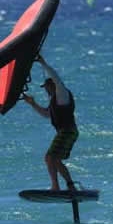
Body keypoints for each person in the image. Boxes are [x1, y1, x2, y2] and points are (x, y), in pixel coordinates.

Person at [23, 54, 79, 191]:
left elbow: (56, 79)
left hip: (67, 131)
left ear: (53, 86)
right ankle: (71, 186)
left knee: (49, 157)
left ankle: (55, 187)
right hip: (67, 132)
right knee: (55, 160)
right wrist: (32, 103)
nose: (46, 90)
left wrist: (43, 63)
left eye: (47, 86)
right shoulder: (55, 100)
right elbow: (46, 114)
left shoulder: (62, 93)